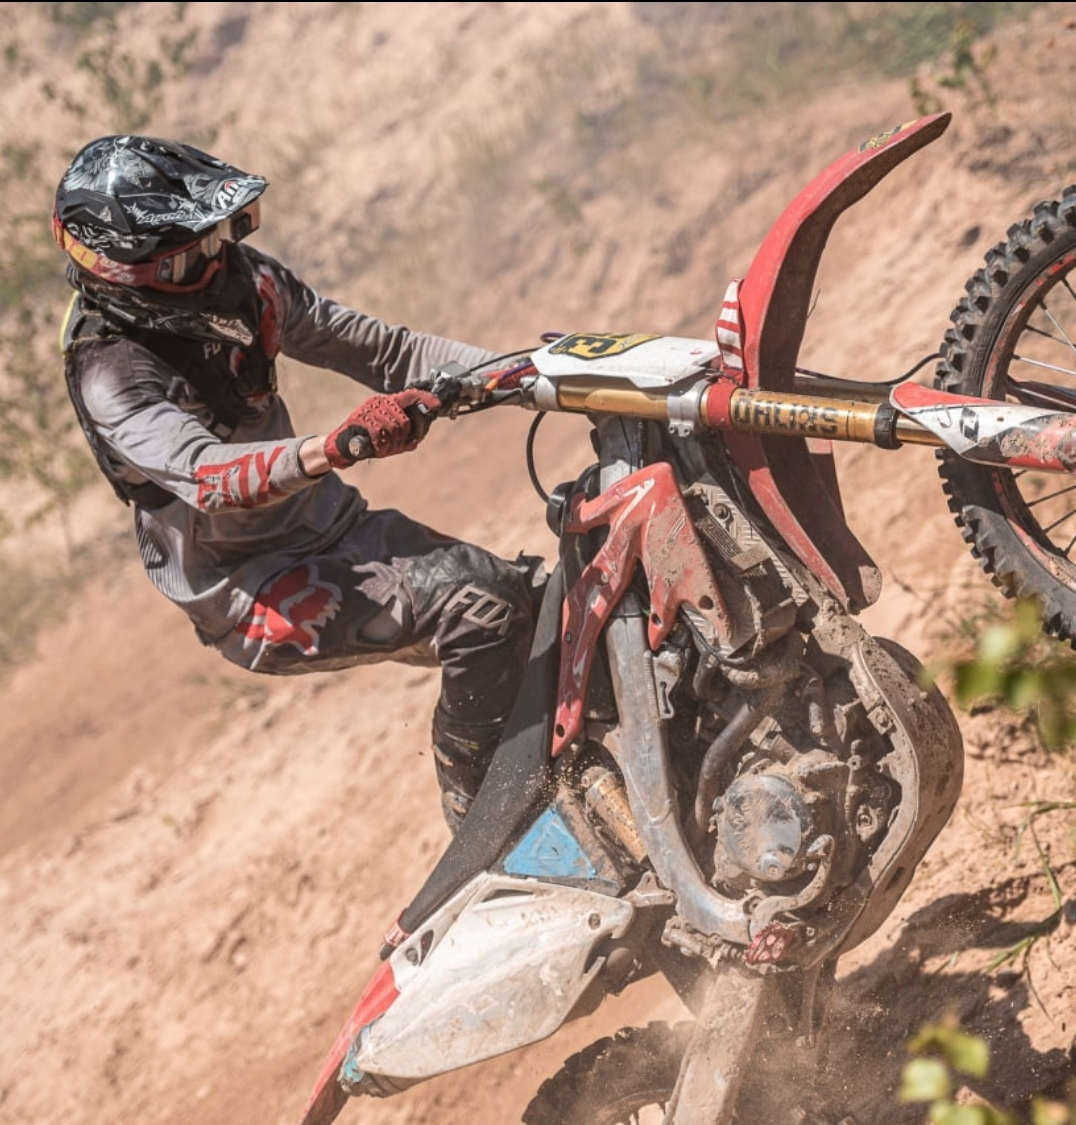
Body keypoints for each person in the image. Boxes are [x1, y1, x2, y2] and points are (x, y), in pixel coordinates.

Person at [51, 134, 543, 832]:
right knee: (483, 608)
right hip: (253, 585)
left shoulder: (247, 284)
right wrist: (334, 446)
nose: (217, 260)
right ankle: (488, 829)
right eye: (190, 255)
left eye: (218, 235)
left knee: (551, 609)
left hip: (333, 525)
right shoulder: (111, 372)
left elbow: (389, 351)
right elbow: (210, 476)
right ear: (125, 275)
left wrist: (532, 373)